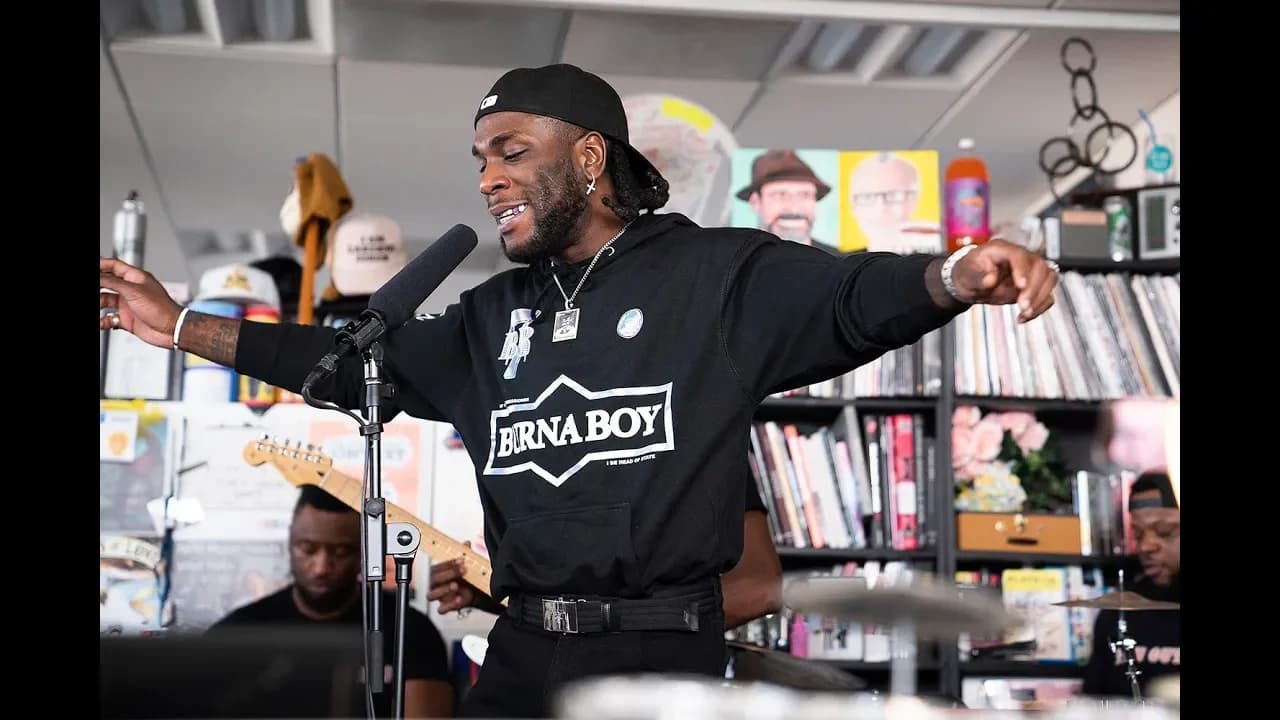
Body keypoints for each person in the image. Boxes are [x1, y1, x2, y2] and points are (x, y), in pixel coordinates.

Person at [100, 62, 1060, 718]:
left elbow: (851, 296)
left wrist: (957, 275)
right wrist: (177, 324)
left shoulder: (714, 277)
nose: (487, 177)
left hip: (661, 662)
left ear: (591, 157)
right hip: (519, 662)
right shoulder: (486, 320)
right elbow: (343, 364)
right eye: (480, 158)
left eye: (510, 150)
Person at [207, 486, 455, 719]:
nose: (321, 568)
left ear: (363, 553)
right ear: (290, 545)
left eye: (340, 552)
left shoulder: (410, 631)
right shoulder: (237, 634)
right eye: (308, 549)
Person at [429, 476, 783, 631]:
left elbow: (760, 588)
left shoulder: (708, 425)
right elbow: (572, 595)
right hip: (549, 676)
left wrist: (622, 626)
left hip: (658, 683)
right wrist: (499, 594)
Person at [1081, 471, 1181, 699]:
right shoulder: (1118, 612)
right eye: (1138, 534)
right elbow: (1093, 706)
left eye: (1164, 532)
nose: (1146, 546)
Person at [847, 151, 942, 254]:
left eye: (893, 195)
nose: (881, 208)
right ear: (853, 206)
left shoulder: (935, 247)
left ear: (914, 199)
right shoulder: (842, 263)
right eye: (867, 197)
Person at [735, 149, 832, 249]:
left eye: (804, 195)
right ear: (755, 202)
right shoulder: (733, 263)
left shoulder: (838, 262)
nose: (794, 208)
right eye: (780, 195)